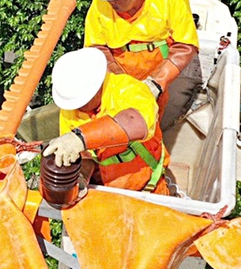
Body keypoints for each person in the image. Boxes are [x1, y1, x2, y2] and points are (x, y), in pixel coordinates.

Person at [85, 0, 202, 130]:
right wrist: (122, 84)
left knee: (151, 119)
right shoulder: (100, 5)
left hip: (158, 69)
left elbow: (186, 45)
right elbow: (96, 48)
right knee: (117, 119)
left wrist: (157, 82)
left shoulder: (171, 0)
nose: (111, 3)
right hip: (117, 71)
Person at [42, 48, 170, 193]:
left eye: (82, 102)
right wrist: (80, 177)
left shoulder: (129, 89)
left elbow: (138, 122)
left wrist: (80, 138)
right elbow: (85, 156)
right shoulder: (71, 109)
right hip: (107, 192)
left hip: (148, 187)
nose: (78, 108)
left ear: (97, 88)